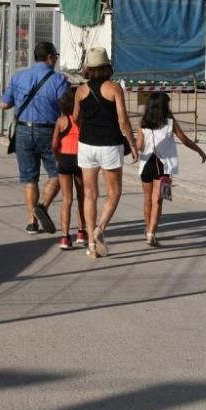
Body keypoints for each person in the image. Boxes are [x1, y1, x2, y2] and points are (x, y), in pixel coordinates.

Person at [73, 48, 139, 258]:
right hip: (110, 145)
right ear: (107, 66)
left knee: (90, 194)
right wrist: (133, 143)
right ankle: (100, 228)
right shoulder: (114, 88)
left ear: (89, 68)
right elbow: (123, 120)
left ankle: (91, 245)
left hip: (86, 145)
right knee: (114, 191)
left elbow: (75, 117)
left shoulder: (80, 91)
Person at [0, 41, 68, 235]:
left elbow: (4, 105)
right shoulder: (59, 80)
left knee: (29, 179)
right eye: (55, 56)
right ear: (49, 58)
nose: (55, 60)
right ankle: (43, 206)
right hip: (48, 131)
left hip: (22, 131)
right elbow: (66, 108)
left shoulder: (18, 77)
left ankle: (31, 221)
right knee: (57, 174)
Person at [135, 92, 206, 247]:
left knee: (147, 200)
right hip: (163, 166)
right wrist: (199, 150)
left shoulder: (143, 123)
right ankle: (151, 234)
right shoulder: (170, 123)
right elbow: (185, 140)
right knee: (157, 201)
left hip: (146, 164)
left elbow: (139, 146)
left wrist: (136, 146)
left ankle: (148, 230)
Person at [51, 88, 87, 250]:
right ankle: (81, 232)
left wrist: (58, 157)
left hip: (64, 159)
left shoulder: (61, 120)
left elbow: (54, 144)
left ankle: (65, 237)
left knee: (67, 199)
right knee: (82, 197)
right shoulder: (83, 120)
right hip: (80, 159)